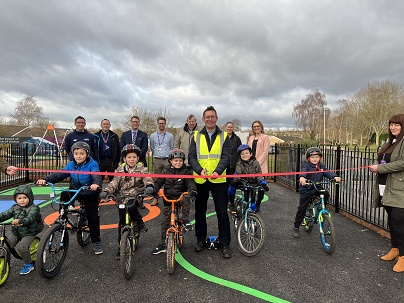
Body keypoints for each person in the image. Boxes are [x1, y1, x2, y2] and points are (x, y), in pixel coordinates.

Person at [36, 141, 103, 254]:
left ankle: (96, 241)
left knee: (93, 217)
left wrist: (95, 184)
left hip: (89, 191)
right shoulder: (71, 164)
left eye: (81, 153)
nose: (79, 156)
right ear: (73, 154)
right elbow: (60, 174)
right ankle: (63, 214)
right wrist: (46, 179)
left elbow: (96, 175)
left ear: (87, 154)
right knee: (64, 194)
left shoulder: (93, 164)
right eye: (76, 153)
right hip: (75, 189)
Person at [188, 105, 232, 258]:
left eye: (213, 116)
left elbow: (226, 157)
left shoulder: (225, 136)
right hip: (200, 179)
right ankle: (200, 240)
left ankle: (225, 243)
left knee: (222, 213)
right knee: (200, 212)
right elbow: (191, 157)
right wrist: (199, 170)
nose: (210, 119)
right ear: (203, 119)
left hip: (218, 179)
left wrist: (217, 171)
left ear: (217, 119)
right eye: (207, 117)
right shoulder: (195, 136)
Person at [99, 144, 154, 259]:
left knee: (132, 206)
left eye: (134, 157)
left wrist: (149, 185)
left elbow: (147, 177)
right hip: (122, 197)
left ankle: (139, 222)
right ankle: (121, 246)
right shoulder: (120, 169)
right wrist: (106, 191)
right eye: (129, 157)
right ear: (124, 159)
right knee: (121, 223)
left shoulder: (142, 169)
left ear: (138, 158)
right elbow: (114, 182)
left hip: (136, 195)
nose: (132, 159)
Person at [369, 114, 404, 273]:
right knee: (391, 220)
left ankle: (403, 257)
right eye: (391, 124)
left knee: (399, 221)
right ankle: (395, 249)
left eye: (397, 125)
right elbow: (383, 159)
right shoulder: (390, 142)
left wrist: (380, 168)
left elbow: (402, 163)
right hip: (385, 187)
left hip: (399, 189)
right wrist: (376, 165)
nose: (393, 127)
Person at [151, 149, 197, 255]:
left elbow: (190, 182)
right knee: (165, 222)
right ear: (171, 161)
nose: (178, 163)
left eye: (180, 161)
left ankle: (185, 219)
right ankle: (163, 244)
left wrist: (192, 190)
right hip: (168, 198)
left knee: (186, 199)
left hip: (180, 197)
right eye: (175, 160)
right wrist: (154, 189)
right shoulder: (166, 171)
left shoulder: (186, 171)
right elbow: (159, 181)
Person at [293, 147, 340, 238]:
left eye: (317, 157)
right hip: (307, 189)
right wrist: (302, 178)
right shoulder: (306, 166)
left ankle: (321, 207)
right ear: (308, 158)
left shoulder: (321, 166)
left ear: (320, 158)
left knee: (325, 194)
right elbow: (303, 172)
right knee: (302, 208)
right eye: (312, 157)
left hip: (317, 187)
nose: (315, 159)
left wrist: (334, 177)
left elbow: (328, 173)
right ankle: (296, 227)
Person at [0, 185, 43, 275]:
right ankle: (6, 264)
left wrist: (21, 221)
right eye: (19, 198)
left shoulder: (34, 208)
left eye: (25, 198)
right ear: (15, 199)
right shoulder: (14, 207)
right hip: (17, 231)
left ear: (30, 198)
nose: (22, 200)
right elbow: (6, 214)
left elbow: (31, 218)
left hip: (30, 231)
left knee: (22, 248)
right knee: (6, 247)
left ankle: (29, 264)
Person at [227, 144, 269, 213]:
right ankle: (231, 203)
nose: (245, 155)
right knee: (231, 187)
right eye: (242, 154)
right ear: (240, 156)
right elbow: (237, 172)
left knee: (254, 201)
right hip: (243, 182)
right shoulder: (239, 164)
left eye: (247, 153)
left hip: (253, 183)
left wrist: (262, 181)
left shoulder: (255, 163)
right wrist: (237, 177)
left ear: (250, 154)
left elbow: (258, 173)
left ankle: (255, 210)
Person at [149, 116, 174, 206]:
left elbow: (171, 147)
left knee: (169, 180)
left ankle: (169, 198)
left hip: (167, 160)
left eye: (163, 123)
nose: (161, 125)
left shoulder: (170, 136)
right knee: (156, 181)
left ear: (165, 124)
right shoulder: (152, 136)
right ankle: (156, 198)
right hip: (157, 160)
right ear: (157, 124)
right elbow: (152, 147)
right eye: (160, 123)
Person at [224, 122, 242, 208]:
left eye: (231, 127)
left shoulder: (237, 139)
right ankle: (224, 201)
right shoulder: (222, 137)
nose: (229, 128)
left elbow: (240, 151)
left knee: (232, 184)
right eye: (228, 127)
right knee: (224, 185)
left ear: (233, 128)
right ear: (225, 128)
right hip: (224, 166)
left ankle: (231, 201)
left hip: (233, 166)